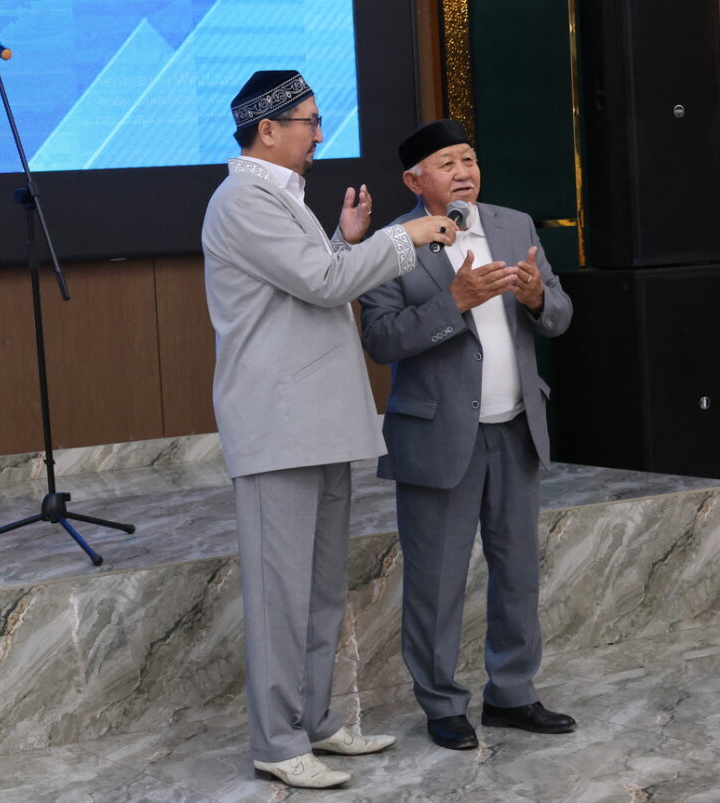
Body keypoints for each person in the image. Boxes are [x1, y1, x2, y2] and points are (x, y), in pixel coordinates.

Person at [201, 72, 459, 789]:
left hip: (316, 422)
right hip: (279, 425)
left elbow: (312, 283)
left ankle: (312, 720)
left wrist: (346, 245)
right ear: (267, 129)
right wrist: (404, 235)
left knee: (317, 591)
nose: (320, 134)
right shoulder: (242, 199)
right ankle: (277, 741)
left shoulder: (281, 199)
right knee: (279, 596)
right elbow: (321, 284)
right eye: (309, 121)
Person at [358, 118, 576, 751]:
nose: (463, 173)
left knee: (518, 571)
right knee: (436, 579)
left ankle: (512, 693)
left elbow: (560, 314)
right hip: (438, 436)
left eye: (469, 160)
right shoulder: (392, 244)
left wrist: (536, 300)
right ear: (414, 181)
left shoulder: (515, 225)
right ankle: (442, 703)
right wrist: (451, 301)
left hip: (516, 428)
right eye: (447, 163)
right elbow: (381, 340)